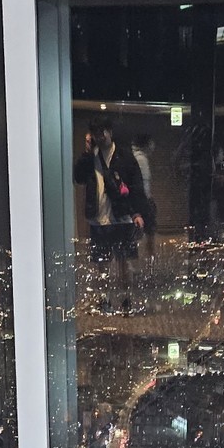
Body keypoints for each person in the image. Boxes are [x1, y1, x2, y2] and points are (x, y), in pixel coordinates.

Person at [74, 114, 146, 311]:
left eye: (102, 132)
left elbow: (136, 186)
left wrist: (137, 213)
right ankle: (104, 299)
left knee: (124, 262)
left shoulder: (124, 156)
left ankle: (126, 299)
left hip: (122, 218)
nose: (100, 136)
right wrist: (87, 152)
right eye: (96, 133)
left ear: (110, 132)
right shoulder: (91, 158)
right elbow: (78, 177)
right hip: (99, 220)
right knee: (102, 263)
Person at [131, 133, 158, 270]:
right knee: (149, 235)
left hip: (139, 202)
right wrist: (147, 203)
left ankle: (137, 266)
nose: (153, 147)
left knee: (137, 236)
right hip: (143, 203)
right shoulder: (141, 159)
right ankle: (149, 267)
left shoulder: (135, 157)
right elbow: (142, 186)